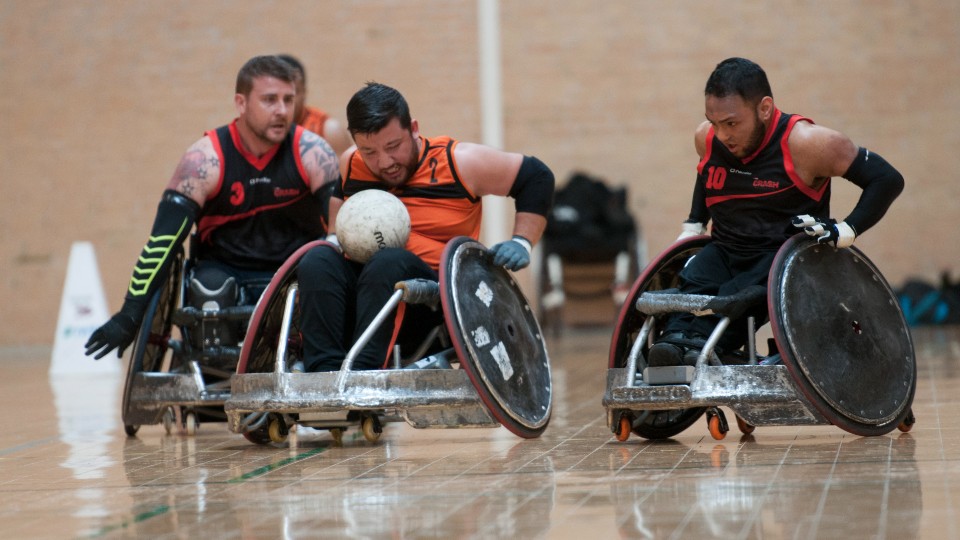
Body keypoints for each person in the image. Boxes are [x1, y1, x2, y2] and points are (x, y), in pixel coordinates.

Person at [648, 57, 904, 367]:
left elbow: (887, 179)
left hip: (783, 256)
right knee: (694, 277)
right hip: (727, 247)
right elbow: (708, 172)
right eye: (714, 122)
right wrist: (693, 223)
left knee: (739, 294)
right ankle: (673, 343)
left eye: (731, 123)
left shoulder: (810, 143)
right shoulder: (708, 137)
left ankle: (701, 343)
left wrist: (848, 229)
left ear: (764, 108)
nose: (722, 134)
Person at [84, 55, 341, 360]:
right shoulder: (204, 160)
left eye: (288, 100)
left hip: (291, 272)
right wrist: (129, 315)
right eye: (270, 100)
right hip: (224, 272)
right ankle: (213, 371)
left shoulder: (313, 153)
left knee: (322, 268)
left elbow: (340, 236)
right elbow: (162, 244)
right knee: (210, 287)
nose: (282, 111)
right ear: (241, 103)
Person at [297, 82, 555, 373]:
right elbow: (338, 195)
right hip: (366, 292)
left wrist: (521, 241)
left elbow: (536, 177)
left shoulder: (459, 162)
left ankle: (361, 377)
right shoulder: (353, 164)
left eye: (393, 146)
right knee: (317, 259)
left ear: (414, 129)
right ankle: (321, 378)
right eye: (369, 151)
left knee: (388, 260)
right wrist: (333, 236)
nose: (384, 162)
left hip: (432, 299)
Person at [277, 54, 353, 157]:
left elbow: (347, 172)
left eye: (292, 93)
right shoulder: (258, 129)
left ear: (304, 92)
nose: (283, 102)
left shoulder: (328, 131)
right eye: (273, 96)